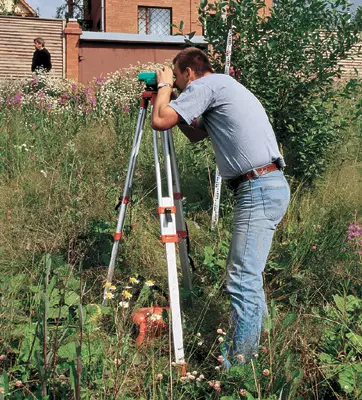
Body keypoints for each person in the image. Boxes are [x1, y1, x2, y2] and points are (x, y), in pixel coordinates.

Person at [152, 47, 290, 369]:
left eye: (179, 80)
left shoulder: (204, 86)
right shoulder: (223, 86)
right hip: (266, 184)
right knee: (249, 277)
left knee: (241, 279)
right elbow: (194, 133)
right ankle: (257, 352)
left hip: (257, 186)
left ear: (187, 72)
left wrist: (162, 87)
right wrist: (174, 98)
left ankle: (237, 369)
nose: (180, 88)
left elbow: (160, 120)